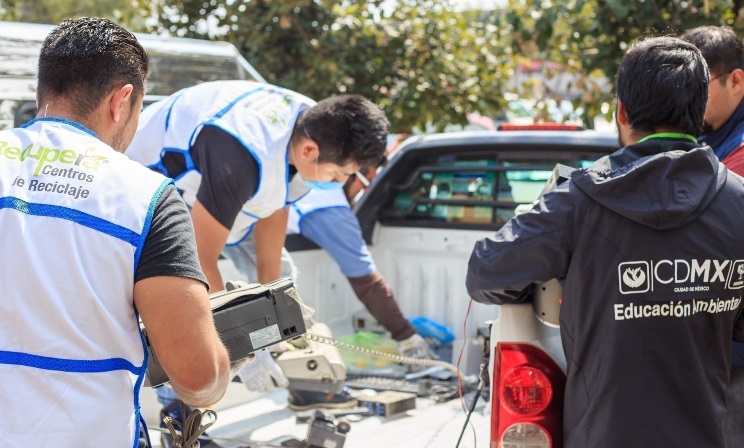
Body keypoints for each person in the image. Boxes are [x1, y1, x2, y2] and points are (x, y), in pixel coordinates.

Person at [466, 36, 744, 447]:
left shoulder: (577, 201)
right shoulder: (737, 202)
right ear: (698, 110)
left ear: (621, 112)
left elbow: (485, 272)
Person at [0, 17, 231, 447]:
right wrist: (223, 367)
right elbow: (197, 377)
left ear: (40, 92)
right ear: (121, 101)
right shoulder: (145, 196)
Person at [125, 81, 389, 415]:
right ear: (309, 151)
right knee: (177, 303)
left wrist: (270, 326)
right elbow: (200, 262)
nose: (338, 183)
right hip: (155, 186)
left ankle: (306, 384)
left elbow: (276, 209)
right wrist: (241, 349)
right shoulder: (241, 155)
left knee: (284, 288)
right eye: (339, 174)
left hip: (218, 190)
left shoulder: (313, 126)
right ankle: (179, 412)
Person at [286, 179, 436, 365]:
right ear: (349, 169)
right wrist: (407, 337)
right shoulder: (330, 211)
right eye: (366, 180)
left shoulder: (305, 191)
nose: (365, 189)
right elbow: (369, 283)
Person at [681, 25, 744, 447]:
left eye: (698, 88)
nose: (687, 100)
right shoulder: (711, 136)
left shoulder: (738, 153)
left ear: (736, 80)